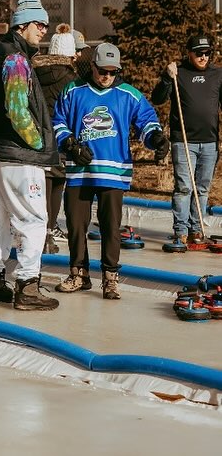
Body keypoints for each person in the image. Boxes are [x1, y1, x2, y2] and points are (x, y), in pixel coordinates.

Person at [53, 43, 169, 300]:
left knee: (111, 227)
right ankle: (79, 274)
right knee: (75, 225)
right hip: (79, 172)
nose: (107, 76)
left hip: (113, 173)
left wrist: (156, 139)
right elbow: (57, 121)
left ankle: (110, 278)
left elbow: (147, 122)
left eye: (113, 72)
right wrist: (69, 144)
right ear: (92, 66)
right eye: (102, 71)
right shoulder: (72, 92)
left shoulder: (130, 95)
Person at [0, 0, 59, 311]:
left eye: (45, 25)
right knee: (34, 219)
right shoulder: (14, 58)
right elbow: (17, 108)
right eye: (39, 24)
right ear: (22, 25)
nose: (44, 30)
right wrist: (37, 142)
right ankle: (28, 285)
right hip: (18, 154)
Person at [150, 34, 222, 247]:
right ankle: (180, 230)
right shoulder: (177, 73)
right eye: (199, 53)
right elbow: (158, 99)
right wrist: (166, 77)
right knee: (184, 187)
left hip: (209, 141)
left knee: (202, 188)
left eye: (207, 53)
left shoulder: (218, 74)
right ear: (189, 53)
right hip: (183, 141)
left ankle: (196, 229)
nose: (203, 57)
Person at [32, 23, 79, 254]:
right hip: (60, 136)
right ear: (70, 53)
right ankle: (49, 231)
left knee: (43, 183)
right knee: (57, 182)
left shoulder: (36, 72)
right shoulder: (70, 79)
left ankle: (43, 230)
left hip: (38, 136)